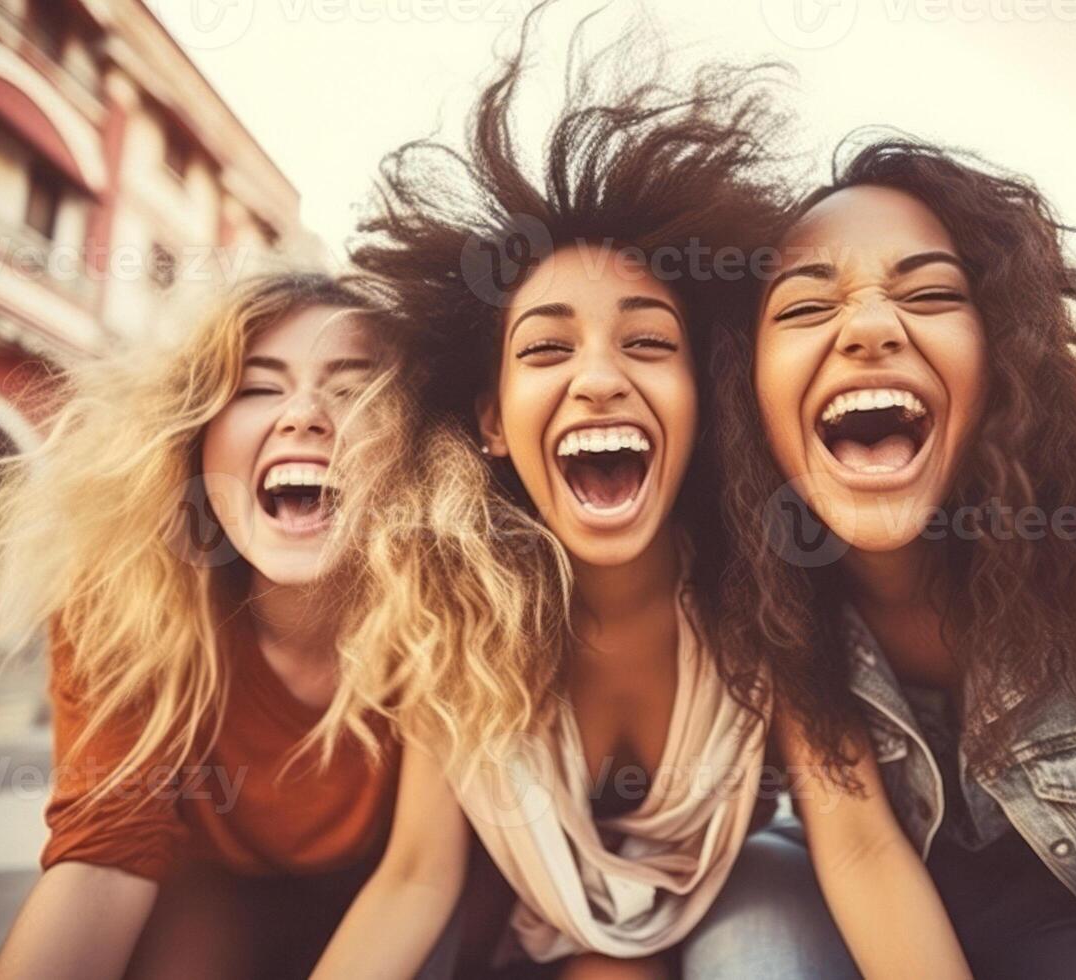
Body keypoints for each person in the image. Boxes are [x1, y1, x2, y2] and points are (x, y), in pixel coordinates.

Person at [315, 36, 970, 979]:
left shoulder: (759, 592)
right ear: (492, 421)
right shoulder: (451, 609)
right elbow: (415, 878)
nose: (597, 381)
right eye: (545, 351)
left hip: (743, 897)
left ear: (702, 401)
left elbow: (861, 847)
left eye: (647, 344)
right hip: (536, 923)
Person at [707, 137, 1076, 978]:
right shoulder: (743, 572)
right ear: (746, 388)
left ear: (1006, 359)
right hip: (835, 902)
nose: (871, 327)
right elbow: (856, 852)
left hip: (1071, 919)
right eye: (804, 309)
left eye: (932, 293)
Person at [0, 271, 477, 979]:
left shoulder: (453, 607)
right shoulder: (128, 593)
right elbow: (101, 859)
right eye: (257, 387)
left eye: (350, 390)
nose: (304, 414)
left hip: (398, 895)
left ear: (416, 452)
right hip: (207, 888)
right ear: (195, 439)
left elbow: (418, 876)